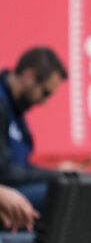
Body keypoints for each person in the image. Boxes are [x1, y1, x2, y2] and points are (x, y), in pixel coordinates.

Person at [0, 47, 68, 211]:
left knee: (68, 189)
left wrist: (58, 172)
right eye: (45, 93)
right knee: (64, 194)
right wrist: (56, 175)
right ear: (29, 77)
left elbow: (19, 167)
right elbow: (5, 173)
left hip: (11, 190)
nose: (44, 102)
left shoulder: (16, 109)